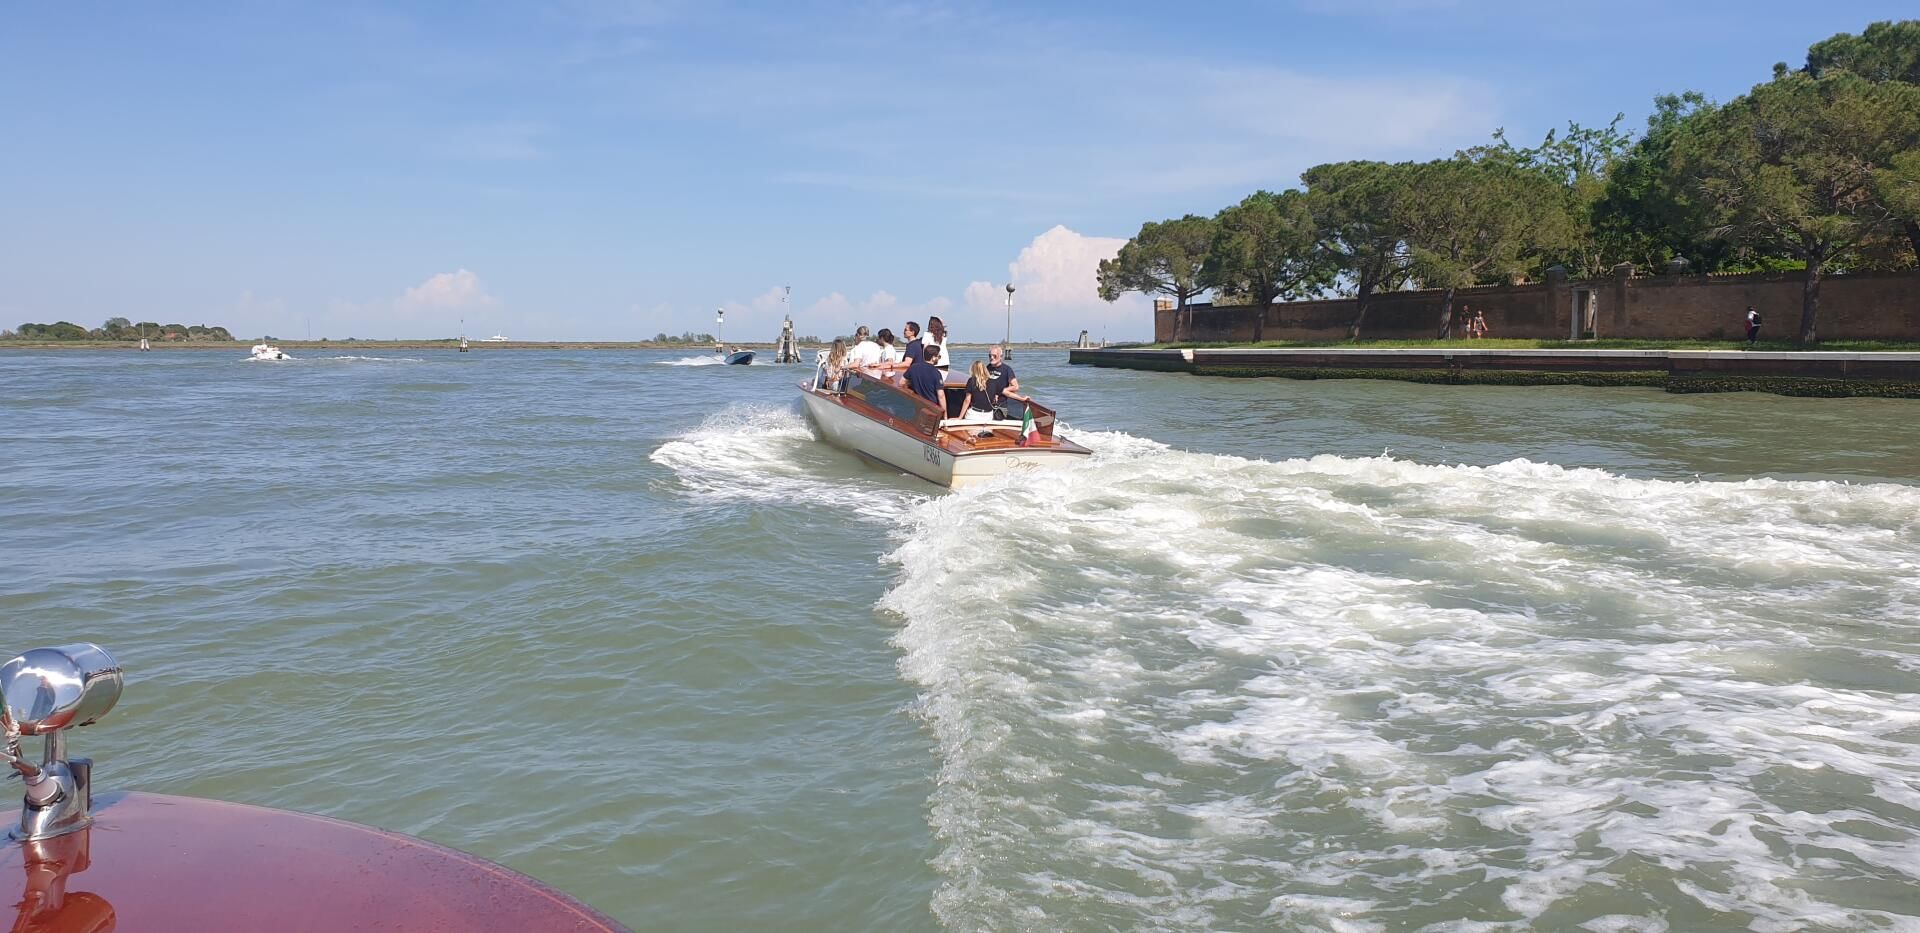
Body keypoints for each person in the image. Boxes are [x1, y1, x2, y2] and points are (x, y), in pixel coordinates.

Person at [984, 344, 1027, 418]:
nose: (991, 358)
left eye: (994, 356)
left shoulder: (1007, 369)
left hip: (1000, 406)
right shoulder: (987, 368)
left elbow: (1016, 387)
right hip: (987, 404)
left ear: (1000, 356)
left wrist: (1003, 390)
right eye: (990, 356)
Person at [904, 336, 943, 405]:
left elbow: (901, 383)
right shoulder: (936, 373)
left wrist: (911, 394)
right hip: (932, 407)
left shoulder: (913, 367)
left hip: (916, 404)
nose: (939, 358)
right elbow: (941, 396)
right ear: (933, 358)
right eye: (939, 356)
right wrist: (945, 415)